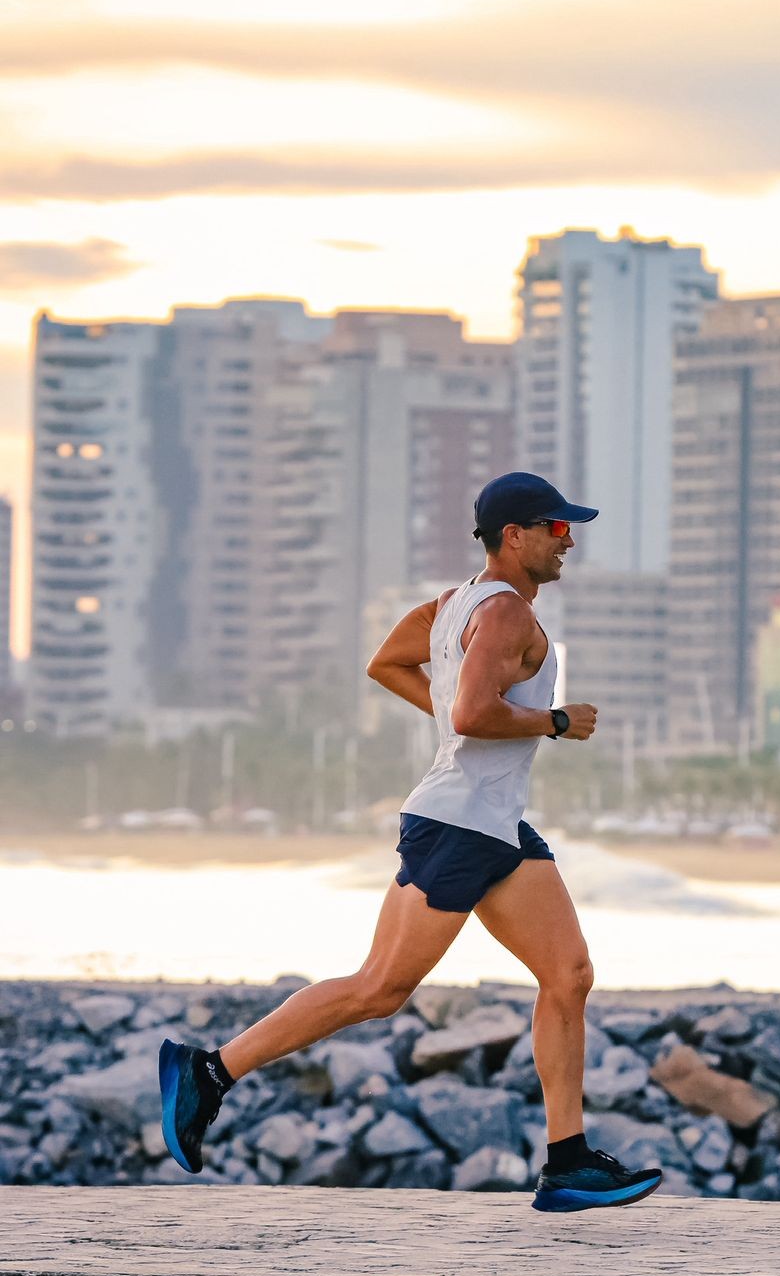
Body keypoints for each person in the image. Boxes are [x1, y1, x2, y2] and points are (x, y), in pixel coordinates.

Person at [159, 471, 662, 1213]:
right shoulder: (505, 615)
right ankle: (209, 1073)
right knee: (379, 990)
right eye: (555, 529)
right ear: (513, 536)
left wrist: (460, 712)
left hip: (489, 822)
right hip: (462, 822)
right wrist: (553, 722)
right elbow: (471, 716)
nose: (569, 542)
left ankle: (568, 1162)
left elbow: (390, 665)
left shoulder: (450, 605)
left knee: (570, 974)